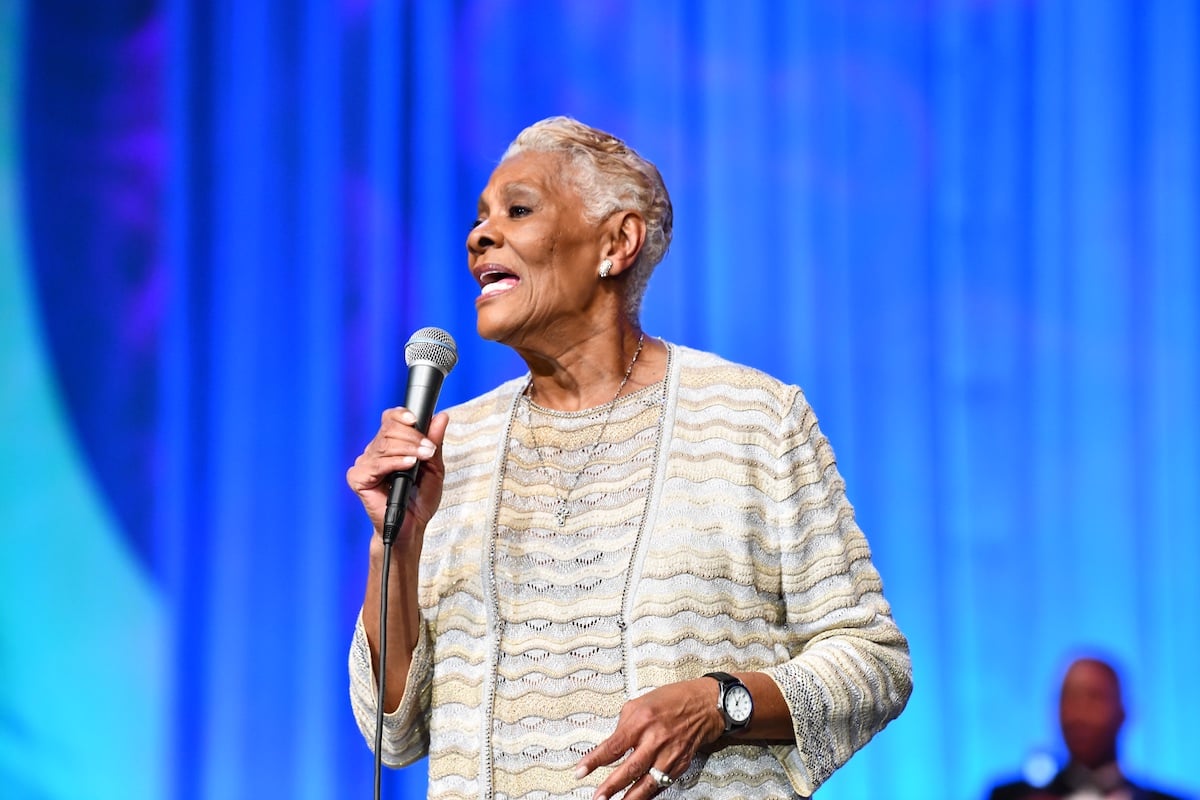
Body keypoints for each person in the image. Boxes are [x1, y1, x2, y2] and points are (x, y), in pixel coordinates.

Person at [346, 116, 912, 799]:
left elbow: (872, 664)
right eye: (479, 219)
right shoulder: (450, 446)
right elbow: (393, 735)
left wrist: (720, 704)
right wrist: (396, 548)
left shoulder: (753, 419)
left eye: (518, 210)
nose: (478, 237)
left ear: (616, 243)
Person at [988, 656, 1188, 800]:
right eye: (1068, 698)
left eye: (1093, 698)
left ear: (1123, 713)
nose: (1078, 714)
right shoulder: (1010, 797)